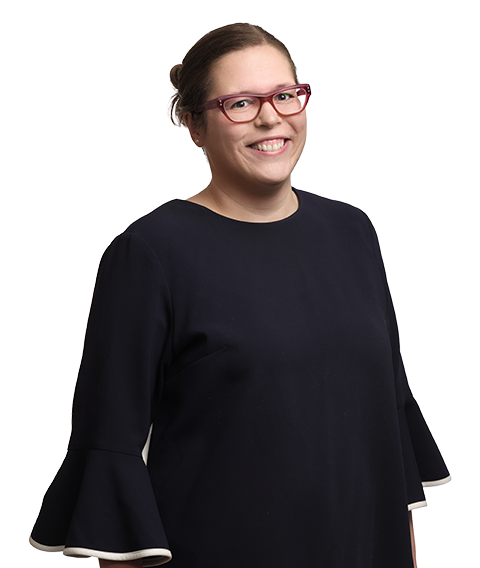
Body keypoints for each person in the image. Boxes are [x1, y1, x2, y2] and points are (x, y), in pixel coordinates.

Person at [29, 22, 451, 568]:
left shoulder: (353, 233)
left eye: (285, 95)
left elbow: (389, 432)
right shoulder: (149, 254)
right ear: (194, 125)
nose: (271, 117)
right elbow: (110, 454)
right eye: (241, 103)